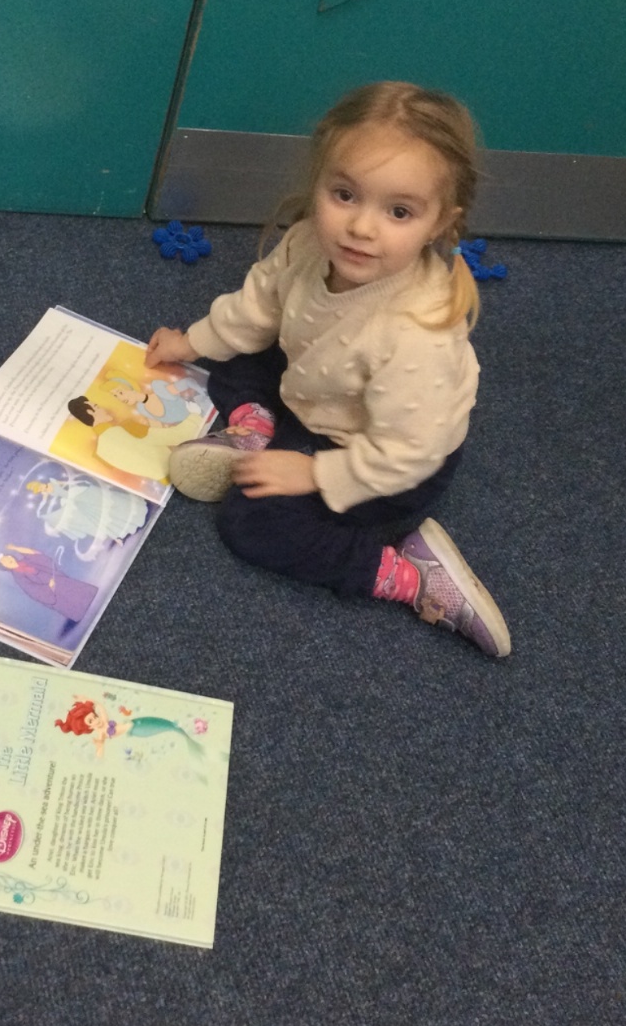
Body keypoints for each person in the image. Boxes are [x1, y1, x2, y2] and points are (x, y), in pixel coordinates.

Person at [144, 80, 510, 658]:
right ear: (317, 183)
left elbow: (408, 454)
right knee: (239, 350)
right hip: (320, 391)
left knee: (253, 525)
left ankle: (412, 575)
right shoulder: (309, 243)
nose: (361, 228)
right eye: (344, 195)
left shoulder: (415, 335)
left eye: (399, 212)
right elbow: (255, 309)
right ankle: (255, 427)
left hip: (390, 460)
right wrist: (189, 343)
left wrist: (314, 474)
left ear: (442, 223)